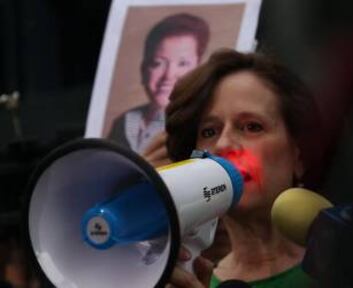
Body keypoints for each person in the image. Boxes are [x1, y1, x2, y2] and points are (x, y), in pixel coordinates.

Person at [164, 49, 324, 287]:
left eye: (251, 126)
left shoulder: (348, 266)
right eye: (209, 131)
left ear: (298, 154)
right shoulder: (194, 281)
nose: (223, 144)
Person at [108, 13, 210, 155]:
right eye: (158, 63)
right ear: (144, 69)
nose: (168, 75)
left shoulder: (202, 126)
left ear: (199, 69)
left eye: (182, 63)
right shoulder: (123, 122)